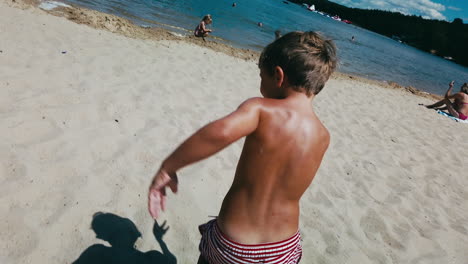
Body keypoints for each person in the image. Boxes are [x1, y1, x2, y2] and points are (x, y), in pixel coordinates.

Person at [148, 31, 337, 263]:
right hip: (284, 249)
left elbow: (221, 132)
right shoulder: (323, 136)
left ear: (278, 76)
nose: (260, 84)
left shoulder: (261, 110)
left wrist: (169, 167)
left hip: (235, 247)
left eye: (261, 76)